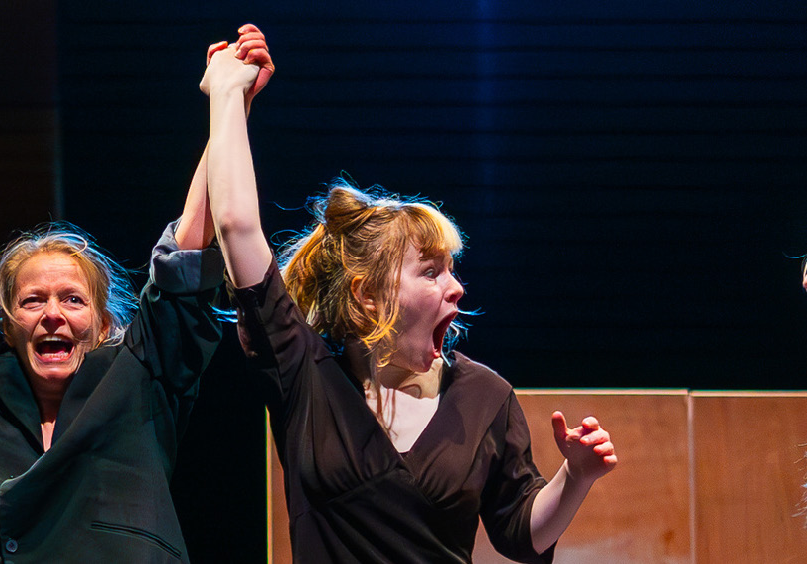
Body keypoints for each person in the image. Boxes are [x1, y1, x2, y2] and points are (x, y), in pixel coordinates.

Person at [199, 27, 617, 563]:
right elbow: (235, 226)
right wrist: (230, 94)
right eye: (431, 272)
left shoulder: (484, 397)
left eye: (452, 268)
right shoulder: (305, 375)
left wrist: (575, 476)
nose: (456, 286)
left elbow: (520, 532)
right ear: (368, 296)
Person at [0, 28, 271, 563]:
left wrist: (230, 107)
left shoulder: (139, 375)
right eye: (32, 301)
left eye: (73, 301)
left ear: (104, 324)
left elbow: (187, 254)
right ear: (7, 324)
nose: (52, 314)